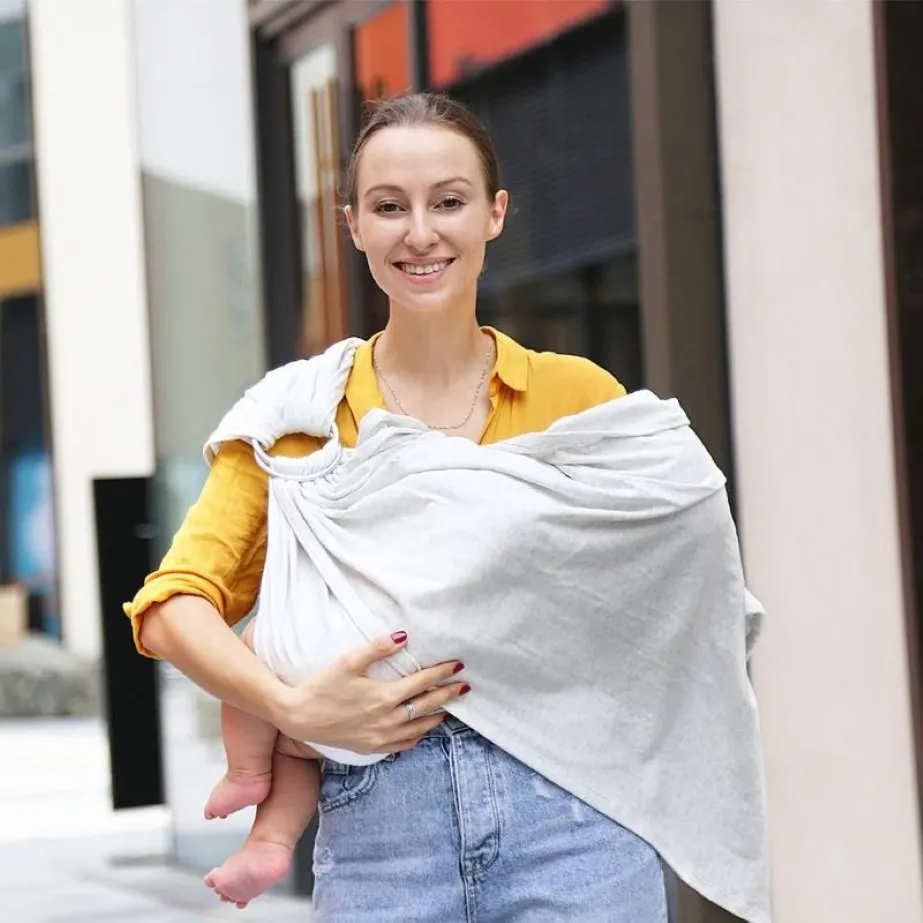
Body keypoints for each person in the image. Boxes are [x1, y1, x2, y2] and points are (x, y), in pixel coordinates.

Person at [127, 92, 767, 923]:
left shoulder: (579, 399)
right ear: (351, 223)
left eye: (449, 201)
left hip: (577, 819)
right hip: (380, 835)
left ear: (495, 214)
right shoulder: (295, 421)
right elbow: (172, 604)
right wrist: (292, 708)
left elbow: (665, 590)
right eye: (389, 207)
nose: (419, 232)